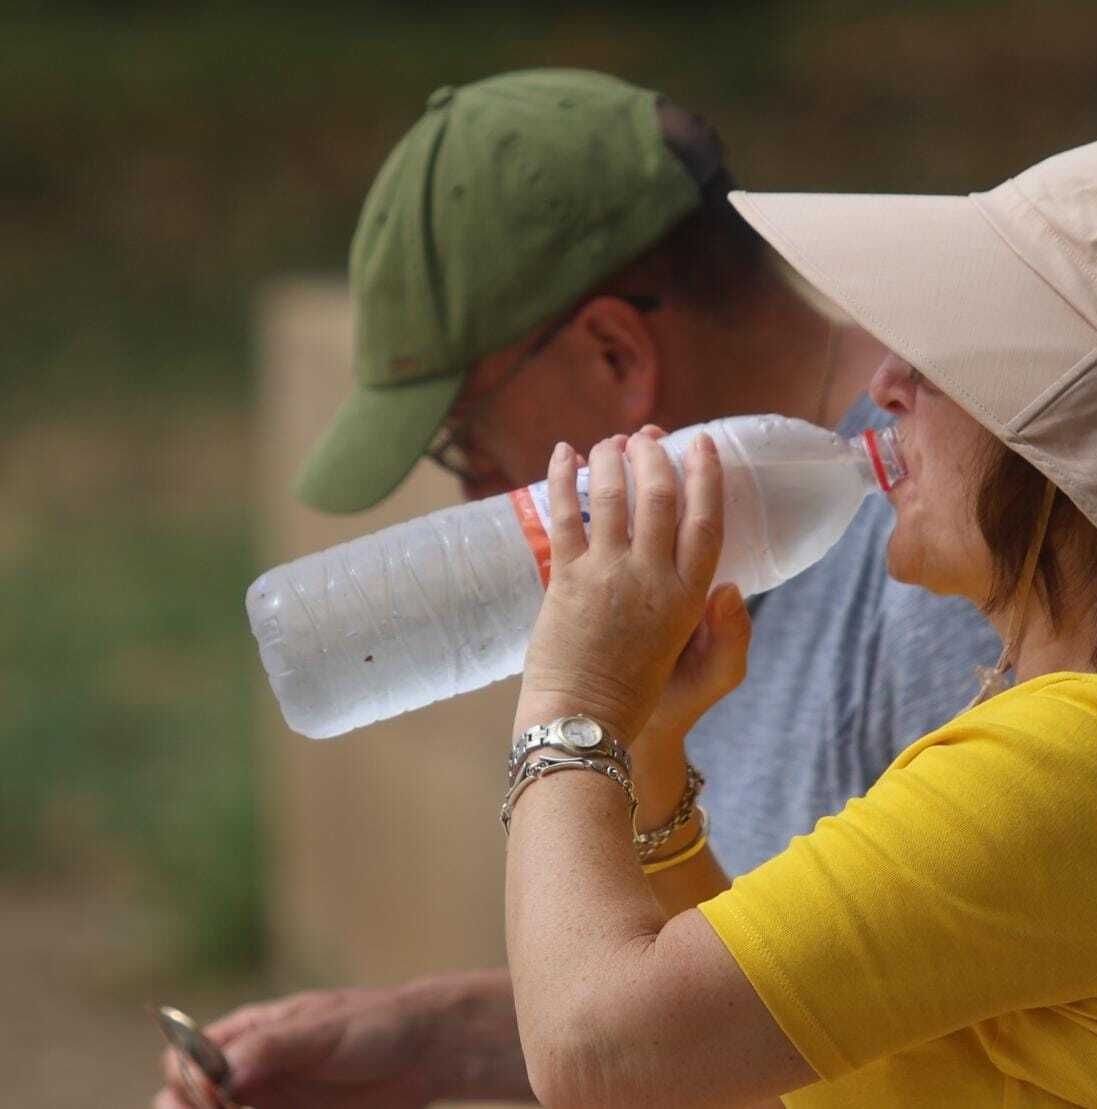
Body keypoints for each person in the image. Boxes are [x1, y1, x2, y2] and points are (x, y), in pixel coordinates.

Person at [153, 71, 996, 1107]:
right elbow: (770, 1009)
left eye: (464, 437)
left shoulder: (944, 579)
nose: (467, 493)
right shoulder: (709, 573)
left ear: (614, 352)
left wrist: (572, 712)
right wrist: (437, 1040)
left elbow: (944, 1068)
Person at [488, 138, 1097, 1106]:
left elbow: (594, 1052)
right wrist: (651, 748)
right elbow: (722, 1067)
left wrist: (569, 700)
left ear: (1068, 441)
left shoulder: (1093, 763)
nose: (885, 385)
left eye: (950, 352)